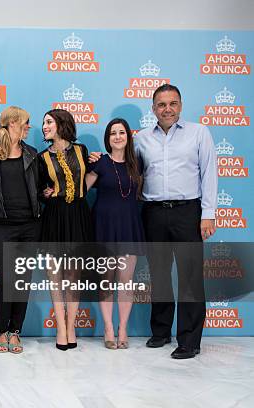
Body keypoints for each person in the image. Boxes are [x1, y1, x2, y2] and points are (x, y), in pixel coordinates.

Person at [137, 84, 217, 359]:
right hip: (153, 212)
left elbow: (209, 175)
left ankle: (189, 340)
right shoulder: (142, 138)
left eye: (172, 103)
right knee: (159, 275)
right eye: (161, 104)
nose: (167, 109)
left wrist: (208, 214)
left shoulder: (199, 133)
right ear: (153, 108)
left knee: (190, 278)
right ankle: (160, 332)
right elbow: (131, 173)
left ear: (180, 106)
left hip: (188, 211)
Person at [0, 106, 41, 354]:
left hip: (30, 225)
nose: (29, 127)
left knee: (23, 280)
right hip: (1, 225)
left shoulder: (32, 153)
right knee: (5, 279)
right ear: (12, 123)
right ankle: (1, 331)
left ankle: (15, 331)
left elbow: (41, 185)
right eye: (25, 123)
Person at [85, 118, 143, 350]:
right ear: (107, 139)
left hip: (129, 226)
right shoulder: (99, 163)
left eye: (121, 132)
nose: (117, 137)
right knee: (106, 281)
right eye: (112, 134)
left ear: (128, 137)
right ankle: (108, 328)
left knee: (126, 281)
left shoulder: (138, 164)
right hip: (104, 227)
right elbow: (80, 191)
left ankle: (123, 328)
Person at [38, 108, 93, 351]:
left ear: (61, 124)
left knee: (73, 277)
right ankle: (60, 328)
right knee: (55, 277)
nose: (44, 127)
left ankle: (72, 328)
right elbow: (39, 190)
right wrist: (45, 193)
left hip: (79, 215)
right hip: (54, 217)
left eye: (48, 122)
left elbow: (86, 181)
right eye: (43, 124)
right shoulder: (42, 158)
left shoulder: (82, 150)